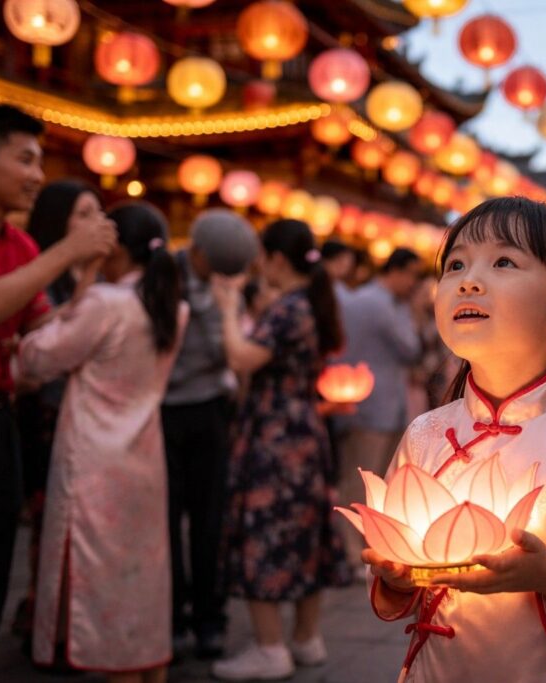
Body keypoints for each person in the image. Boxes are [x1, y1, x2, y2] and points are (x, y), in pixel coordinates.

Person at [361, 197, 546, 683]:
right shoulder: (426, 432)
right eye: (456, 264)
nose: (469, 279)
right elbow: (399, 551)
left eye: (504, 262)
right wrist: (396, 577)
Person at [0, 104, 115, 682]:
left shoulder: (17, 243)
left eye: (39, 160)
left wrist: (88, 290)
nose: (38, 175)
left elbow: (42, 333)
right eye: (25, 159)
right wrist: (66, 253)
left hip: (0, 426)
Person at [19, 201, 187, 682]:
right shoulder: (172, 307)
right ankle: (149, 663)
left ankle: (117, 667)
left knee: (101, 574)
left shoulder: (105, 303)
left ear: (115, 249)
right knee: (141, 573)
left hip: (94, 458)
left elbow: (38, 359)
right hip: (144, 456)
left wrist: (81, 285)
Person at [211, 219, 351, 681]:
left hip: (274, 437)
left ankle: (270, 647)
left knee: (264, 533)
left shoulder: (286, 307)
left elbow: (242, 357)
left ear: (275, 259)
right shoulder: (309, 303)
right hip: (305, 432)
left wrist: (229, 308)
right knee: (306, 533)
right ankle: (306, 638)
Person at [11, 179, 108, 649]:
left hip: (84, 413)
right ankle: (41, 612)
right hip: (45, 412)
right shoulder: (40, 274)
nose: (95, 224)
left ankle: (68, 617)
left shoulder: (90, 273)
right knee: (49, 513)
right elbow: (38, 340)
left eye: (97, 213)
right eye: (82, 214)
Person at [162, 209, 259, 660]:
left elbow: (233, 351)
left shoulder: (229, 286)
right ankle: (172, 618)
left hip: (212, 412)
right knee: (165, 521)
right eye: (215, 267)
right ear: (196, 252)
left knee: (210, 522)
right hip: (163, 411)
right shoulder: (162, 277)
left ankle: (209, 619)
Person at [333, 247, 424, 567]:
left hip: (371, 402)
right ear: (396, 271)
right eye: (412, 275)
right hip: (375, 405)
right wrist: (414, 312)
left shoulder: (368, 300)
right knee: (362, 482)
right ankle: (352, 553)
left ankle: (355, 550)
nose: (414, 284)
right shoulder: (380, 304)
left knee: (364, 481)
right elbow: (410, 348)